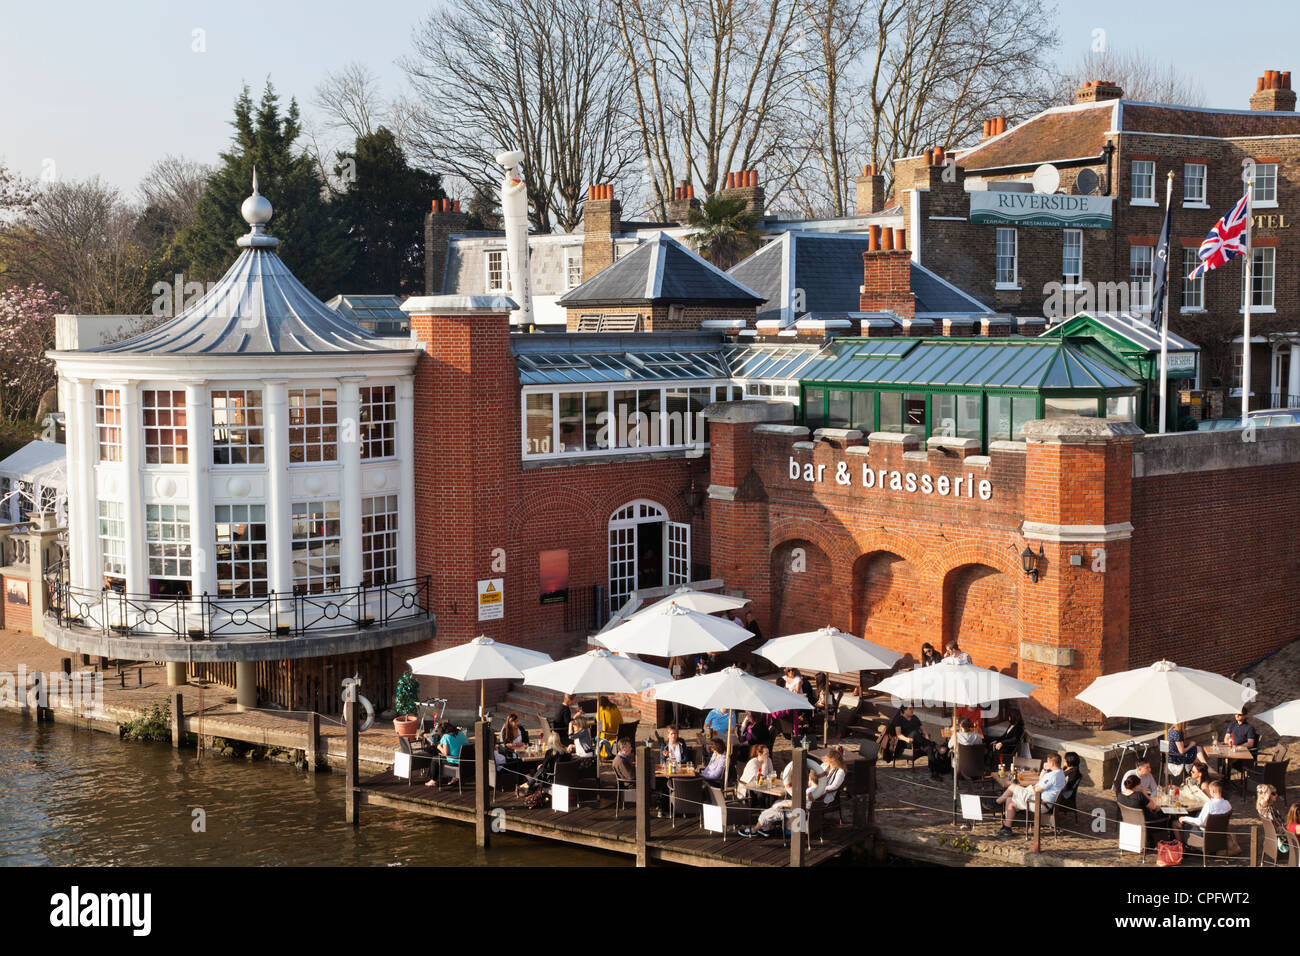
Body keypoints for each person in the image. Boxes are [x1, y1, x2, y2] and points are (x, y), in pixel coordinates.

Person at [739, 751, 846, 838]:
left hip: (800, 813)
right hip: (809, 807)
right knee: (777, 802)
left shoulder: (811, 791)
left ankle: (753, 830)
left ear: (810, 778)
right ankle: (767, 828)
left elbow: (796, 803)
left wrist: (782, 805)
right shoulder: (815, 790)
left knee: (767, 812)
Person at [994, 753, 1065, 836]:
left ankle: (996, 803)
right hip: (1043, 802)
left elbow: (1038, 789)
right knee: (1010, 800)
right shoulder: (1060, 773)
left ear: (1052, 763)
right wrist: (1045, 770)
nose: (1046, 763)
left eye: (1048, 762)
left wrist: (1029, 789)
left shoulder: (1053, 775)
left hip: (1040, 804)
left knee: (1012, 787)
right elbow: (1040, 781)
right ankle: (1007, 828)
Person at [888, 704, 949, 779]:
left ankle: (934, 772)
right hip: (907, 743)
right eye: (910, 709)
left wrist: (926, 735)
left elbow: (923, 729)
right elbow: (899, 735)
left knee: (929, 748)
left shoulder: (915, 718)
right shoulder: (899, 719)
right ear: (904, 710)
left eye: (912, 708)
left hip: (918, 742)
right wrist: (906, 739)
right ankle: (934, 744)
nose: (912, 710)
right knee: (914, 733)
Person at [1117, 771, 1169, 848]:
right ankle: (1167, 841)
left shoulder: (1120, 796)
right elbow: (1153, 806)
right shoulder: (1139, 795)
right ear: (1136, 786)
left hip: (1129, 821)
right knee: (1166, 815)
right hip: (1147, 822)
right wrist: (1145, 794)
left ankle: (1151, 840)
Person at [427, 722, 468, 787]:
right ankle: (455, 777)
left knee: (435, 759)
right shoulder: (461, 733)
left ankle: (433, 780)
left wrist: (439, 747)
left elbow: (445, 753)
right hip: (465, 760)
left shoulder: (446, 736)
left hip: (455, 761)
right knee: (439, 757)